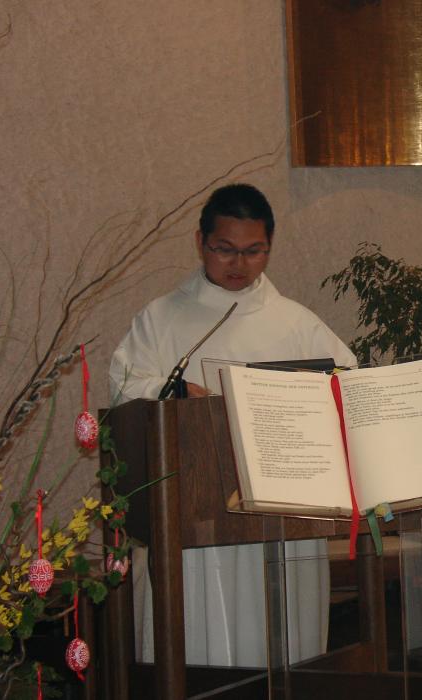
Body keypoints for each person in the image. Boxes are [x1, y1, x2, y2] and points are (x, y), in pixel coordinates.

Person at [109, 183, 356, 666]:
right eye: (225, 249)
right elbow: (123, 387)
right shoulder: (161, 319)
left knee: (281, 646)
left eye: (253, 251)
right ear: (200, 242)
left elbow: (347, 384)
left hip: (286, 511)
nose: (239, 264)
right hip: (193, 511)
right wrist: (178, 393)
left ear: (269, 246)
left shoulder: (295, 322)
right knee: (201, 645)